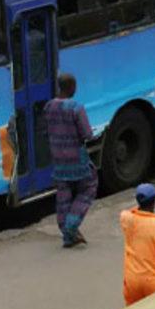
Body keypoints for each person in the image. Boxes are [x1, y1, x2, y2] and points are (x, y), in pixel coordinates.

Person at [43, 73, 97, 248]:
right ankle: (71, 227)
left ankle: (66, 236)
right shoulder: (76, 108)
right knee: (89, 187)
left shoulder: (49, 106)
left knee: (63, 193)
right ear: (71, 87)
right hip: (76, 158)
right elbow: (87, 134)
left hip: (58, 159)